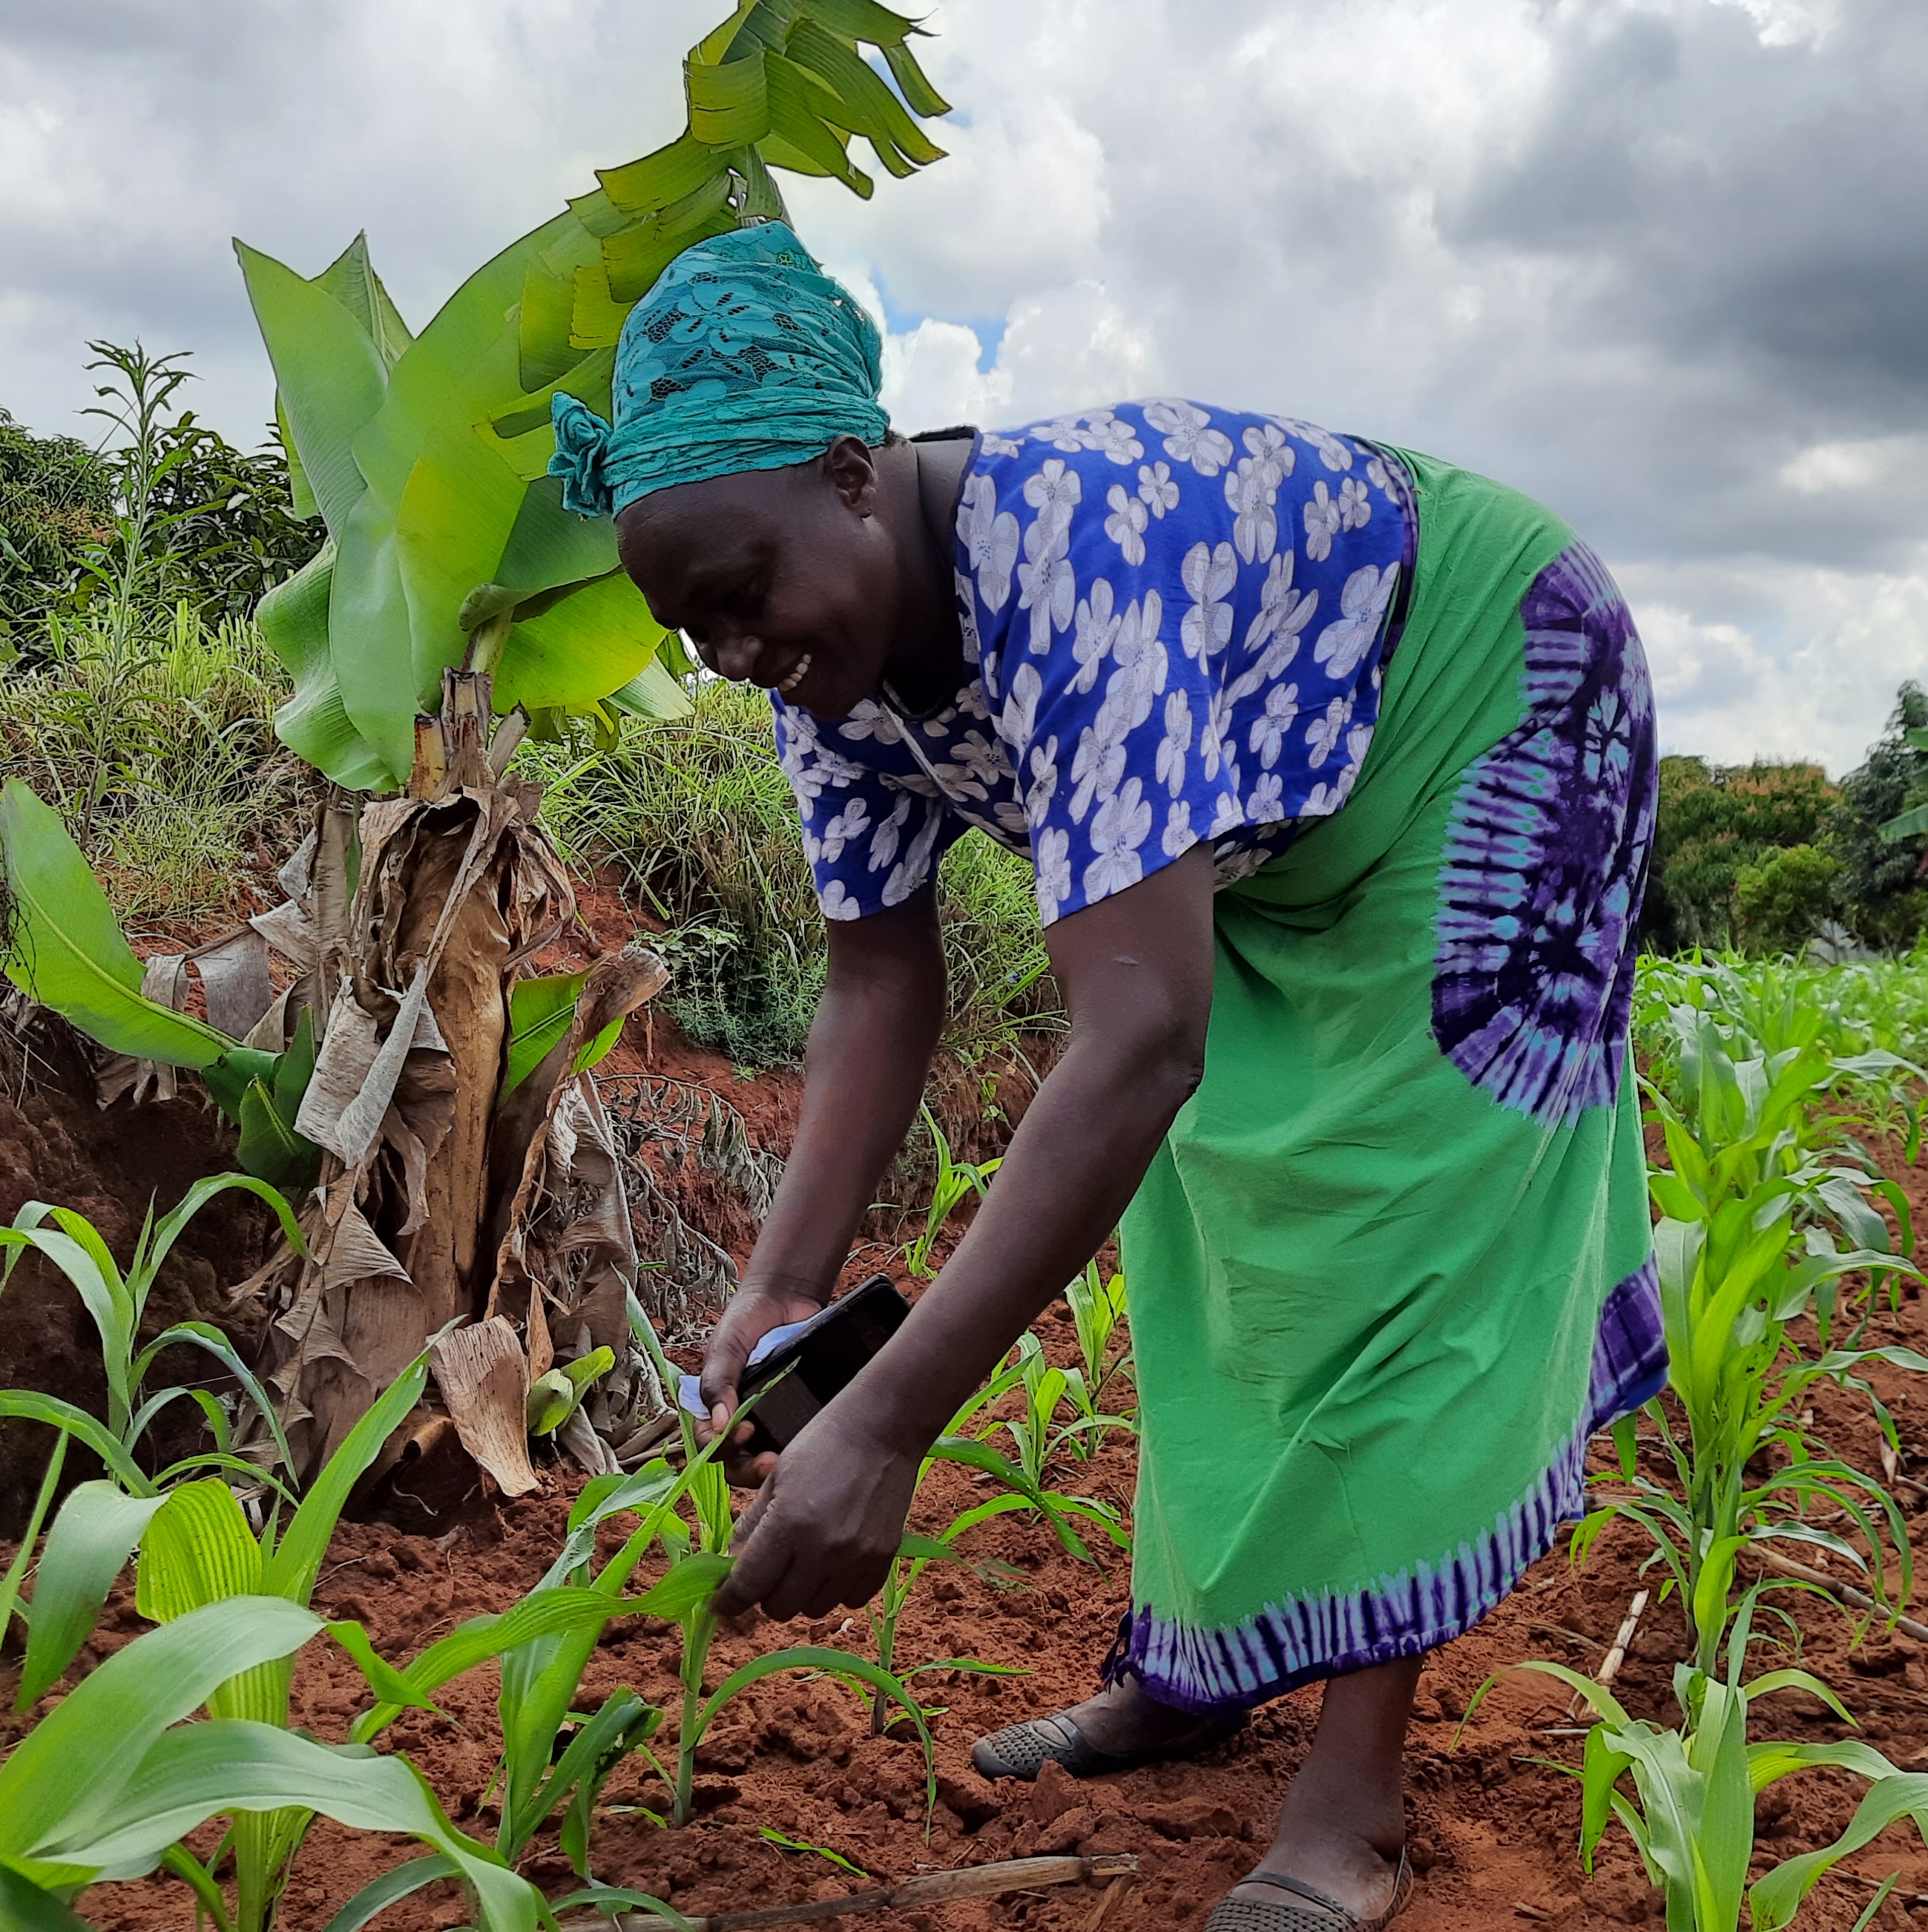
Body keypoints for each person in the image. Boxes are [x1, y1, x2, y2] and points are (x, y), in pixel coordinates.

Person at [553, 220, 1667, 1932]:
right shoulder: (828, 673)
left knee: (1399, 1213)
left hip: (1488, 695)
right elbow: (874, 977)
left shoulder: (1070, 560)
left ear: (857, 473)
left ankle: (1353, 1800)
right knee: (1203, 1200)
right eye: (689, 628)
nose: (730, 654)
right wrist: (778, 1287)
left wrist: (888, 1424)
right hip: (1290, 809)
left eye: (740, 597)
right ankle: (1196, 1672)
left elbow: (1138, 1036)